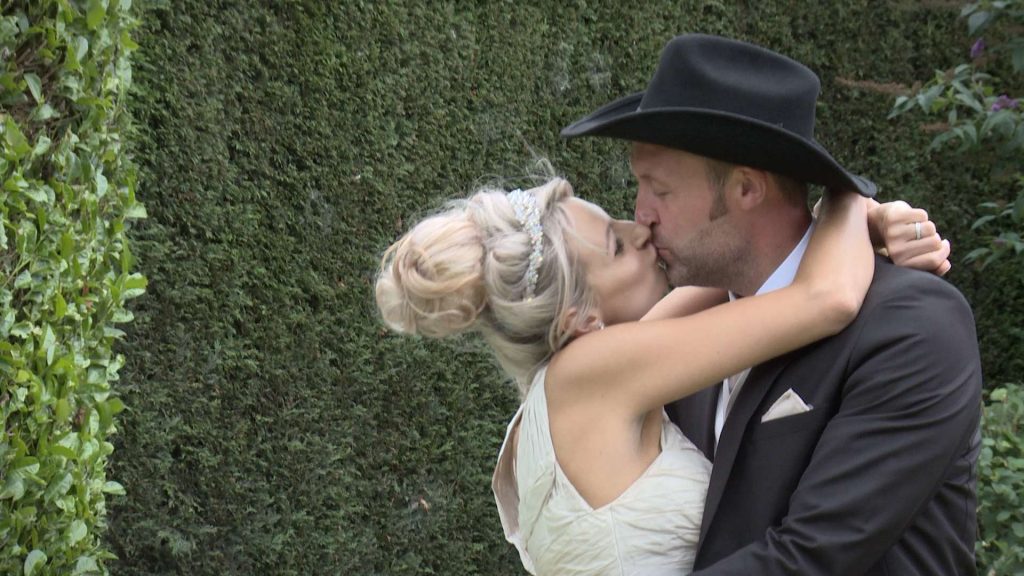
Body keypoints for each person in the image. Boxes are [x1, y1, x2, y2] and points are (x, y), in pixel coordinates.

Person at [375, 174, 952, 574]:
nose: (641, 232)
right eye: (616, 246)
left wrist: (855, 227)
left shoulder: (575, 383)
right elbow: (822, 299)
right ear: (580, 316)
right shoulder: (595, 372)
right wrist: (847, 194)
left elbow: (746, 275)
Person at [561, 33, 982, 575]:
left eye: (659, 190)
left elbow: (809, 559)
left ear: (746, 189)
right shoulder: (686, 337)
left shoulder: (913, 327)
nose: (641, 214)